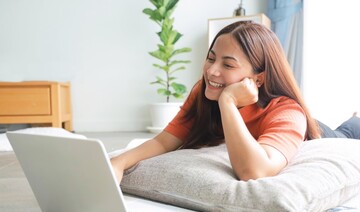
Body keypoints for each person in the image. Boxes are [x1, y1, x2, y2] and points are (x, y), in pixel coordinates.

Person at [111, 21, 359, 183]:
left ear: (258, 78)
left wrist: (228, 101)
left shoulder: (287, 111)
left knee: (349, 130)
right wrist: (118, 163)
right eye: (211, 58)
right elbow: (165, 140)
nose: (212, 71)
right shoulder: (204, 92)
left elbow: (253, 171)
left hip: (323, 133)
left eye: (228, 65)